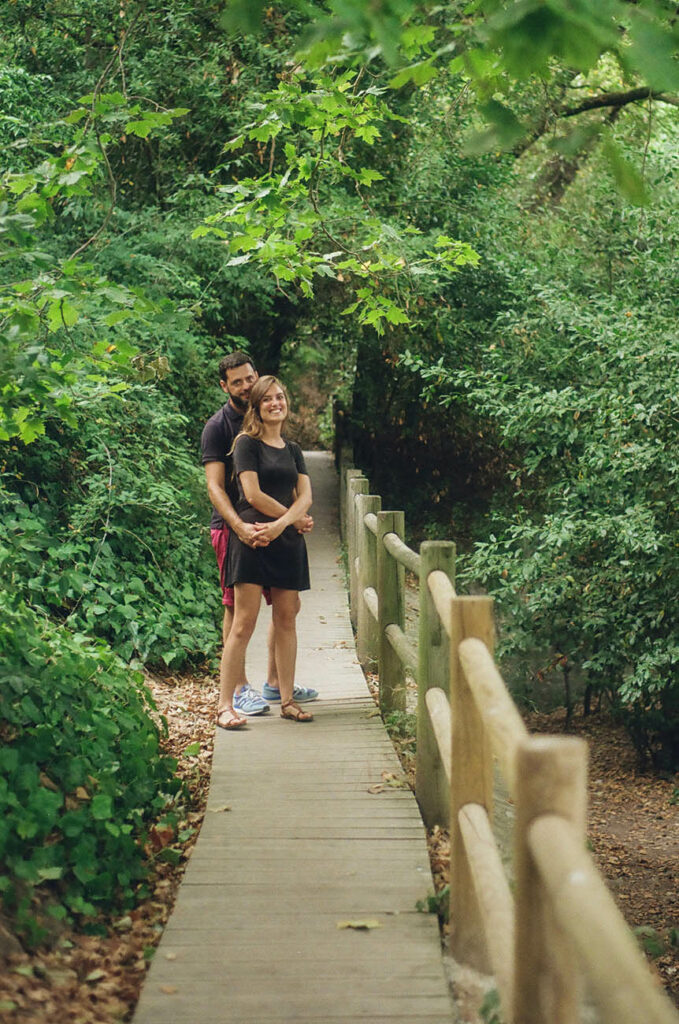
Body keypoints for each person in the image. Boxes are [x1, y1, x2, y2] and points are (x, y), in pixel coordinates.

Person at [201, 352, 317, 717]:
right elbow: (222, 488)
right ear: (226, 386)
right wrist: (240, 526)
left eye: (250, 378)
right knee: (238, 614)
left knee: (288, 611)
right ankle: (235, 693)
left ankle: (278, 688)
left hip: (280, 535)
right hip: (238, 528)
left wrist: (288, 523)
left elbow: (305, 494)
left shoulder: (292, 446)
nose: (247, 387)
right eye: (238, 382)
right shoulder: (223, 430)